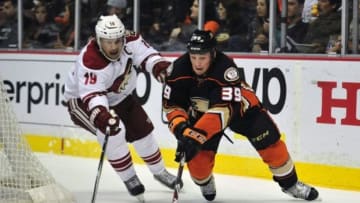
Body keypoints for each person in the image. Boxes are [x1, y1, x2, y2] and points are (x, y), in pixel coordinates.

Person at [162, 29, 319, 201]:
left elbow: (224, 110)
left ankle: (291, 184)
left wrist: (194, 135)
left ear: (213, 54)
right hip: (201, 114)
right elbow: (172, 106)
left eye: (202, 58)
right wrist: (181, 129)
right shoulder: (177, 69)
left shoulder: (225, 68)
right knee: (199, 169)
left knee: (272, 147)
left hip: (242, 111)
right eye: (193, 57)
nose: (197, 64)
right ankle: (205, 182)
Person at [63, 14, 181, 202]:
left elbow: (147, 56)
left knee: (143, 131)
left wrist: (159, 67)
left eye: (117, 41)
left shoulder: (131, 39)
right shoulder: (90, 60)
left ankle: (160, 172)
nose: (113, 47)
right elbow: (92, 96)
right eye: (108, 42)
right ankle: (129, 177)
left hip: (119, 96)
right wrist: (102, 116)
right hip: (81, 102)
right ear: (98, 39)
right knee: (113, 131)